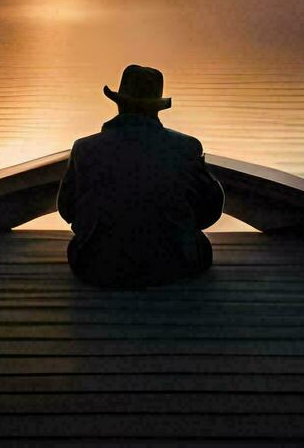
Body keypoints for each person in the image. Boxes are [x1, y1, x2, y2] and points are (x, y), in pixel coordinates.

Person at [57, 64, 224, 288]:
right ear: (157, 107)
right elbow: (209, 213)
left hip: (96, 266)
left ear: (119, 104)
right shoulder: (186, 147)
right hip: (173, 267)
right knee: (200, 246)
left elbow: (67, 210)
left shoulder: (84, 148)